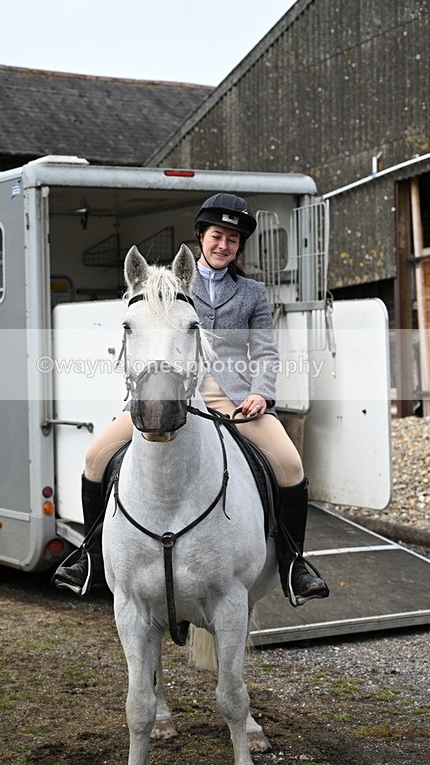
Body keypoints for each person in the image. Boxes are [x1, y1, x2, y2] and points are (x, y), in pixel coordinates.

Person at [53, 193, 329, 606]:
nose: (224, 245)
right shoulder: (170, 285)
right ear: (201, 237)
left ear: (239, 247)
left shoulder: (252, 292)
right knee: (94, 458)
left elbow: (267, 353)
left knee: (289, 465)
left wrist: (260, 393)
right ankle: (89, 557)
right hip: (172, 395)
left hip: (236, 402)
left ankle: (293, 564)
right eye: (217, 235)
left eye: (233, 240)